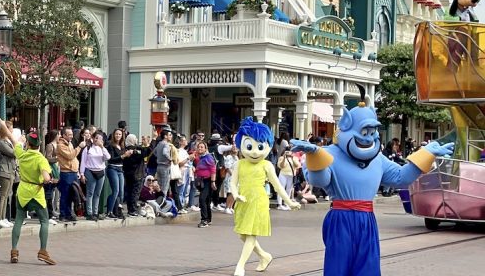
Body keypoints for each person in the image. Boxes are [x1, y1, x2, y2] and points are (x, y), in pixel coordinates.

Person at [291, 98, 453, 275]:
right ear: (347, 127)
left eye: (372, 132)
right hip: (341, 218)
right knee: (338, 267)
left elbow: (401, 177)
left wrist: (427, 153)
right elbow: (320, 181)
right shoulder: (330, 153)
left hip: (367, 219)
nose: (369, 137)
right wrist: (315, 156)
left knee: (368, 267)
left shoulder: (378, 159)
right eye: (364, 131)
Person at [228, 117, 300, 276]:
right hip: (243, 201)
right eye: (249, 146)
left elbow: (277, 186)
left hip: (258, 200)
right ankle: (264, 256)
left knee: (251, 234)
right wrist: (235, 195)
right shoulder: (239, 164)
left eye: (260, 147)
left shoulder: (266, 165)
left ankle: (240, 265)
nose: (254, 151)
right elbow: (232, 183)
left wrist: (289, 201)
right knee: (242, 235)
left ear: (267, 147)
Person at [5, 124, 57, 265]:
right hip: (36, 193)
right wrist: (48, 179)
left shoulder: (22, 155)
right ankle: (43, 251)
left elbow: (13, 140)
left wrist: (3, 125)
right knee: (44, 221)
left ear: (27, 144)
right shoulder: (41, 159)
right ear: (39, 145)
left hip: (22, 192)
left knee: (18, 221)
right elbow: (46, 178)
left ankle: (14, 252)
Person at [80, 133, 110, 220]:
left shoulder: (102, 149)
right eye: (96, 138)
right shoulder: (88, 148)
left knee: (98, 193)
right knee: (90, 193)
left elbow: (108, 157)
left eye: (99, 139)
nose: (97, 140)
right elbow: (83, 161)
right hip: (90, 171)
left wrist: (102, 147)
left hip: (100, 171)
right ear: (93, 138)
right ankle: (89, 213)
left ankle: (95, 212)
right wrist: (82, 173)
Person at [55, 128, 80, 222]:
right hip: (66, 173)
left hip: (73, 172)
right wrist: (79, 148)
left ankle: (69, 213)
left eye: (72, 134)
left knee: (71, 194)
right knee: (65, 194)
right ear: (64, 135)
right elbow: (70, 156)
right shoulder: (61, 145)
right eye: (69, 134)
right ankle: (63, 214)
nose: (71, 136)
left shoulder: (70, 144)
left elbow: (73, 157)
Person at [193, 142, 217, 228]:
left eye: (202, 147)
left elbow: (213, 169)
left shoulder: (208, 157)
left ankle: (204, 220)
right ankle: (208, 219)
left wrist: (213, 181)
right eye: (199, 147)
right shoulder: (199, 158)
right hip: (201, 181)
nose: (200, 149)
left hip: (207, 181)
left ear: (205, 149)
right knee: (206, 200)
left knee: (202, 199)